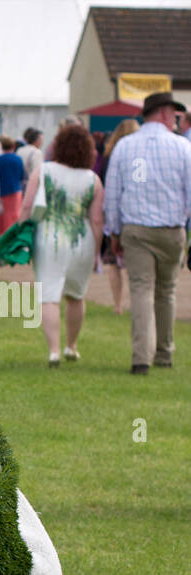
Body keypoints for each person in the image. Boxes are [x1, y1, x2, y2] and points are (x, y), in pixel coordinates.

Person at [103, 91, 191, 374]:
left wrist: (114, 233)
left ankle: (141, 357)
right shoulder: (182, 148)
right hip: (171, 229)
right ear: (165, 113)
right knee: (166, 291)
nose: (176, 120)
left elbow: (113, 195)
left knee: (141, 290)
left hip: (136, 229)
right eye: (175, 115)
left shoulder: (125, 146)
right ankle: (164, 353)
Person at [19, 125, 103, 366]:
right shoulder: (93, 180)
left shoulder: (43, 171)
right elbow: (97, 219)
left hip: (49, 238)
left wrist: (20, 231)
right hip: (82, 239)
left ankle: (54, 350)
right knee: (76, 295)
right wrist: (96, 249)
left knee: (49, 296)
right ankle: (71, 346)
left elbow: (26, 206)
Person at [96, 119, 139, 316]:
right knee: (135, 264)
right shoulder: (140, 156)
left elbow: (105, 185)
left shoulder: (108, 155)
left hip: (112, 211)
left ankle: (118, 305)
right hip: (134, 213)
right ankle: (137, 303)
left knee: (113, 263)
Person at [0, 135, 26, 237]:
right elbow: (22, 175)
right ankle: (12, 239)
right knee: (14, 216)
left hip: (0, 191)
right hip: (15, 190)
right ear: (14, 146)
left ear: (1, 147)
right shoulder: (18, 159)